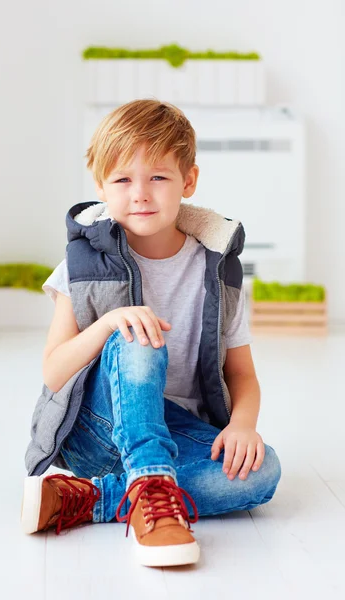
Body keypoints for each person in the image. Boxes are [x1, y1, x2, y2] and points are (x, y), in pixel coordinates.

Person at [21, 99, 281, 568]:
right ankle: (152, 497)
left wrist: (243, 426)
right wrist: (107, 325)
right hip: (99, 434)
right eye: (122, 179)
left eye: (158, 177)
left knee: (262, 473)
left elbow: (242, 374)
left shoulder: (217, 271)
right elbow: (54, 372)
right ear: (102, 186)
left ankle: (91, 497)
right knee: (137, 334)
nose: (140, 193)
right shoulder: (80, 267)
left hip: (175, 433)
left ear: (189, 181)